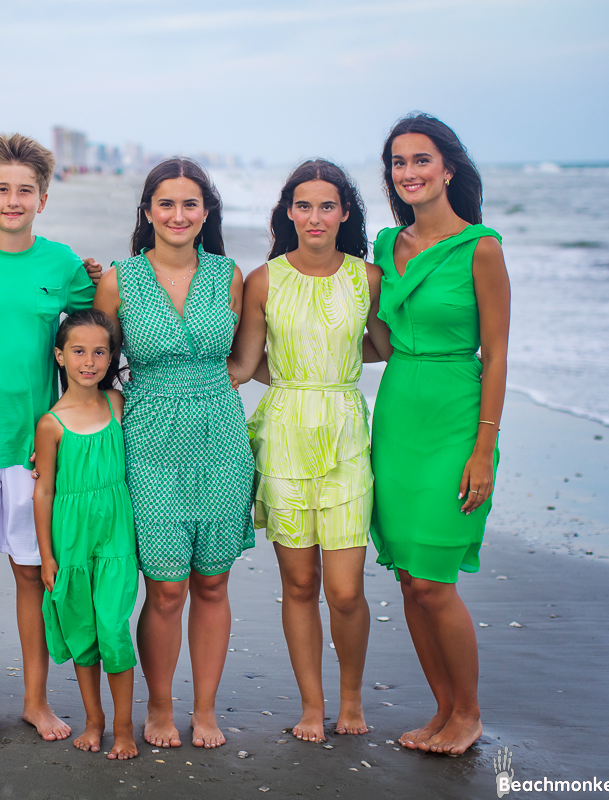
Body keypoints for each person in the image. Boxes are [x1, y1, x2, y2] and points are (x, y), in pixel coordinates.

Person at [0, 133, 99, 743]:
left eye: (24, 190)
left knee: (32, 573)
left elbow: (94, 334)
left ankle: (35, 700)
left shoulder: (61, 266)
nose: (12, 199)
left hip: (35, 444)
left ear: (43, 198)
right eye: (1, 189)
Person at [93, 158, 254, 750]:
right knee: (164, 587)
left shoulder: (229, 274)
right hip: (150, 438)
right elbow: (96, 366)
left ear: (206, 212)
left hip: (221, 440)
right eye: (166, 203)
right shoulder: (118, 280)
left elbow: (242, 359)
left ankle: (204, 709)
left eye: (190, 204)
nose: (178, 215)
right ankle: (158, 707)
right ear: (147, 211)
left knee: (212, 582)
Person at [228, 159, 390, 743]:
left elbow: (381, 348)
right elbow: (246, 365)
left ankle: (352, 700)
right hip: (285, 437)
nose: (315, 217)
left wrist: (329, 373)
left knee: (346, 589)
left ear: (345, 213)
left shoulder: (367, 279)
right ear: (288, 212)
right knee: (299, 585)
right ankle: (312, 706)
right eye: (304, 205)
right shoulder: (264, 279)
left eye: (327, 206)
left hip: (346, 434)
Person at [370, 113, 510, 755]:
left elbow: (499, 353)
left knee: (434, 578)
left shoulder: (481, 247)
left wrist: (483, 449)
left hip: (456, 413)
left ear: (448, 168)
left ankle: (470, 713)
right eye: (399, 163)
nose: (409, 173)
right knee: (407, 576)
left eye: (421, 160)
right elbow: (371, 337)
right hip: (398, 411)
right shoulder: (385, 246)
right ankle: (442, 710)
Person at [33, 310, 139, 760]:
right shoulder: (51, 424)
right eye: (78, 351)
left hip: (115, 537)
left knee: (113, 629)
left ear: (112, 355)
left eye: (100, 352)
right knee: (83, 630)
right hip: (71, 540)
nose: (90, 361)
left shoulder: (117, 404)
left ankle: (123, 724)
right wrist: (47, 556)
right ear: (60, 356)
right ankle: (94, 719)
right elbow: (44, 491)